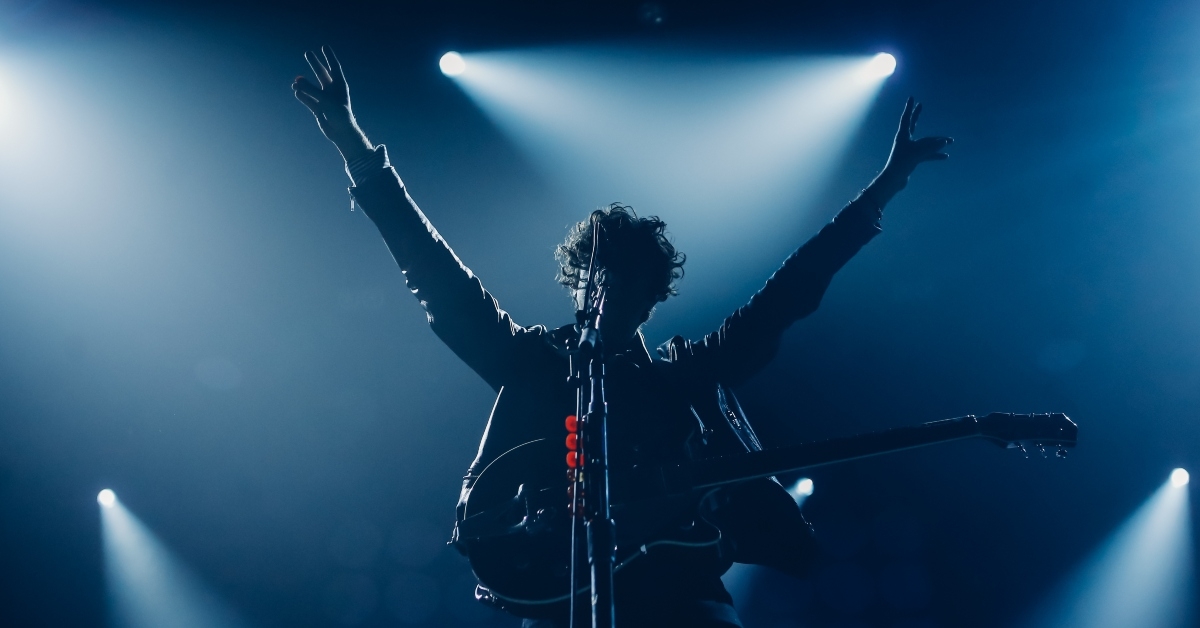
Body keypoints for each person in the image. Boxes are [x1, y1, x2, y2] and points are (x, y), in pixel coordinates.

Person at [293, 45, 951, 628]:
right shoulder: (537, 366)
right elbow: (435, 275)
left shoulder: (688, 377)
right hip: (564, 600)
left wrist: (884, 188)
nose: (612, 291)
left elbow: (792, 290)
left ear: (652, 298)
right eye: (600, 276)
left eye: (632, 281)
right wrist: (353, 145)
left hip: (685, 599)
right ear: (580, 284)